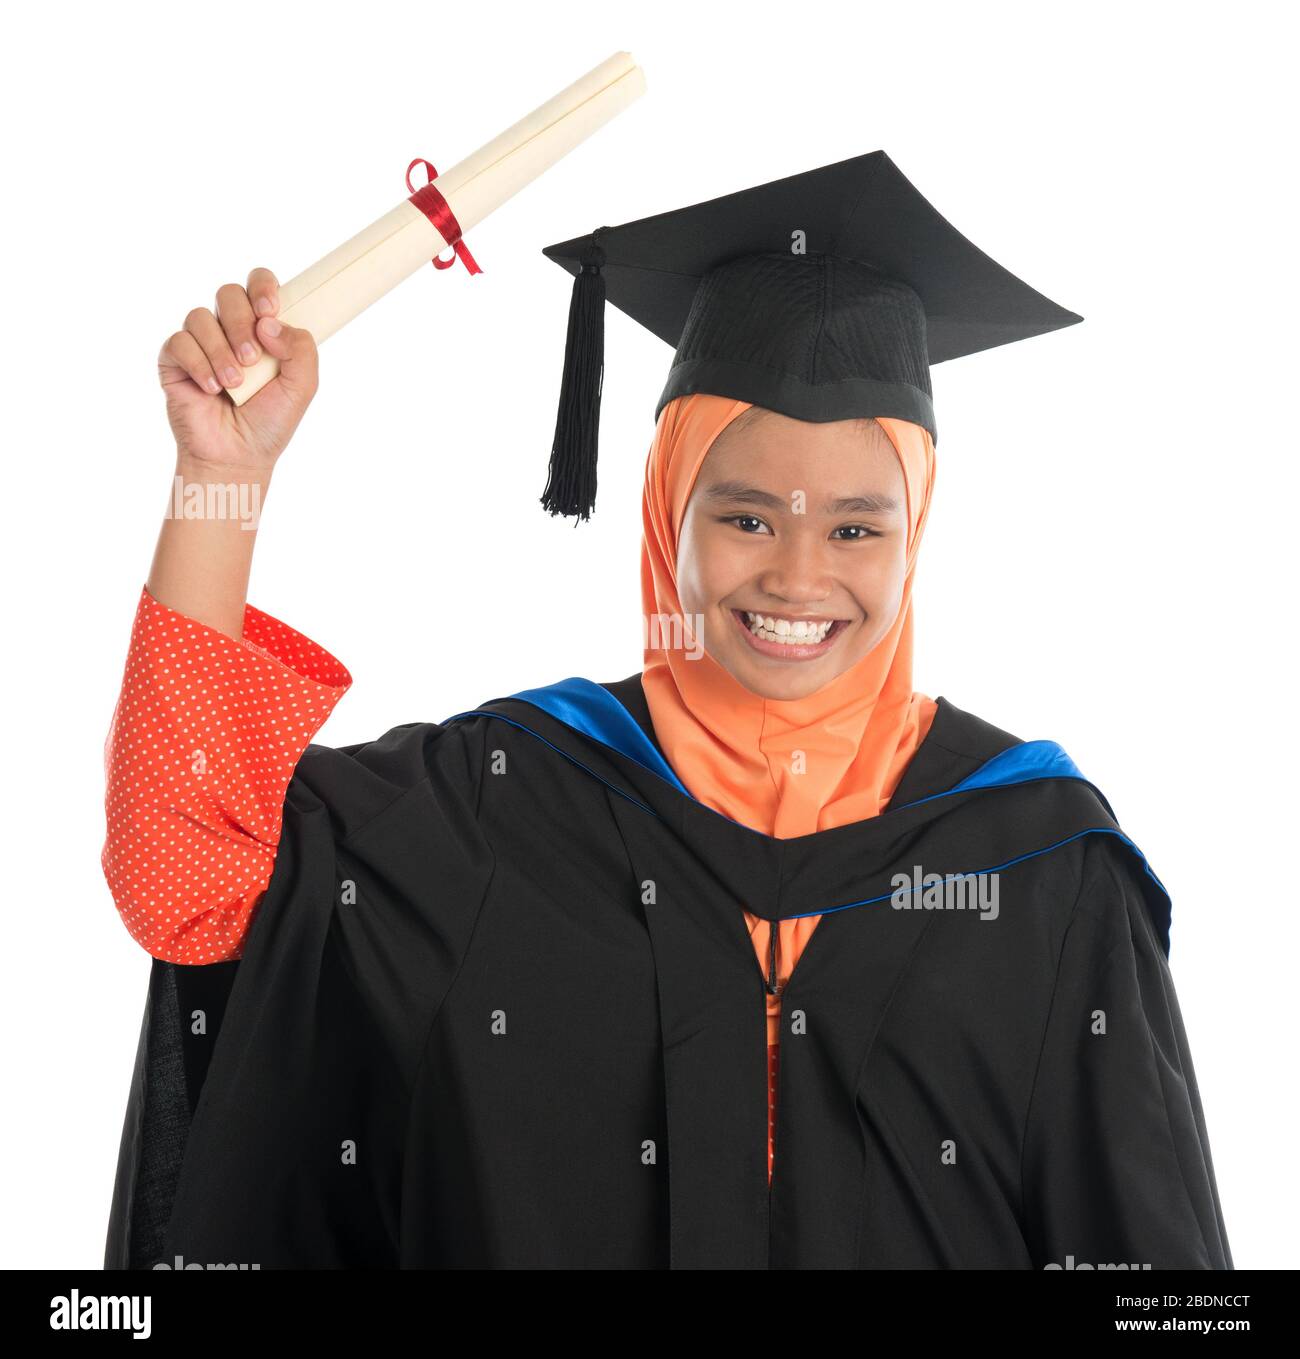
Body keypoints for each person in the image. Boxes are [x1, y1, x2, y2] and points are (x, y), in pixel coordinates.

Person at [102, 151, 1233, 1270]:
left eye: (855, 527)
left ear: (915, 531)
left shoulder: (1037, 864)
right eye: (744, 520)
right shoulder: (502, 808)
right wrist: (223, 477)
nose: (796, 578)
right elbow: (184, 876)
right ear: (665, 515)